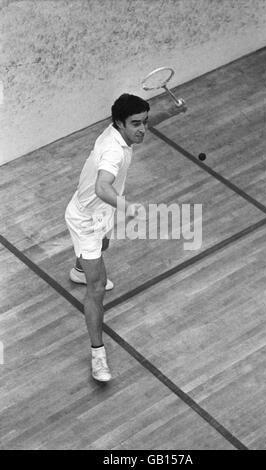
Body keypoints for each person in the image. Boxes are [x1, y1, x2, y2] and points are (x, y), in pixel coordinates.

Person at [65, 94, 150, 382]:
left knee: (104, 246)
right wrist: (129, 207)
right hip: (86, 219)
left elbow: (140, 123)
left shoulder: (117, 131)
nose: (142, 129)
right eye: (136, 124)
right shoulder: (113, 151)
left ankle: (79, 270)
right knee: (98, 286)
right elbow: (103, 187)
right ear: (119, 124)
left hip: (102, 212)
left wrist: (172, 113)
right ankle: (97, 355)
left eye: (145, 122)